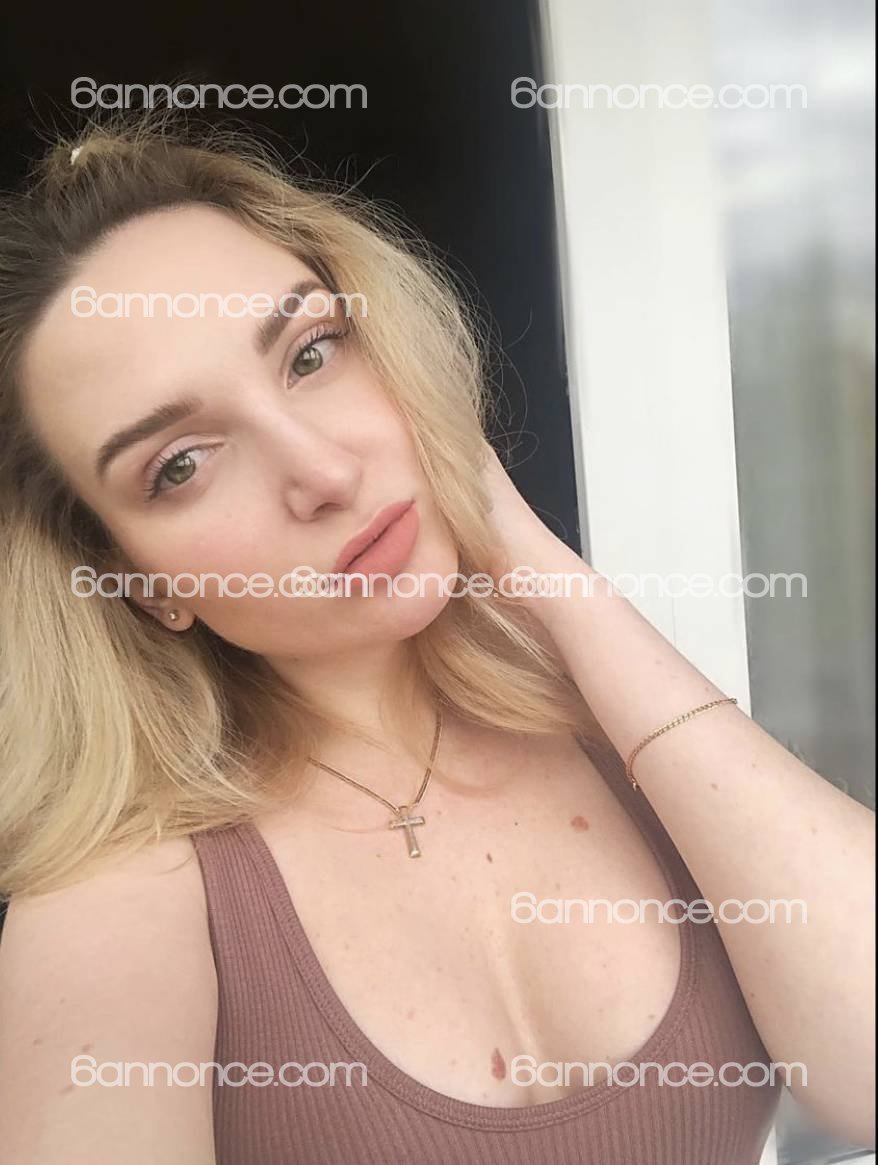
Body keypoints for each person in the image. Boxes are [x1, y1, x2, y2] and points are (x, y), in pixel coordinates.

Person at [0, 112, 873, 1164]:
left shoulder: (617, 721)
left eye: (311, 353)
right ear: (140, 582)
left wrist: (537, 566)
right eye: (180, 463)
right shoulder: (117, 907)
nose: (323, 471)